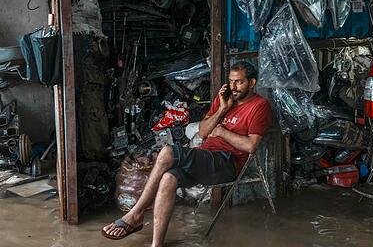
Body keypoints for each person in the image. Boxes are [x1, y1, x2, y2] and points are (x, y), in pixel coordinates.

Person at [101, 61, 273, 245]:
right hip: (206, 157)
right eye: (231, 82)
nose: (234, 87)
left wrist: (222, 132)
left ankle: (135, 214)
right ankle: (156, 244)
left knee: (168, 152)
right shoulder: (225, 99)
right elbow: (203, 132)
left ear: (252, 83)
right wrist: (222, 109)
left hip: (227, 162)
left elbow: (250, 146)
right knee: (169, 178)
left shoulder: (259, 106)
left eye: (239, 82)